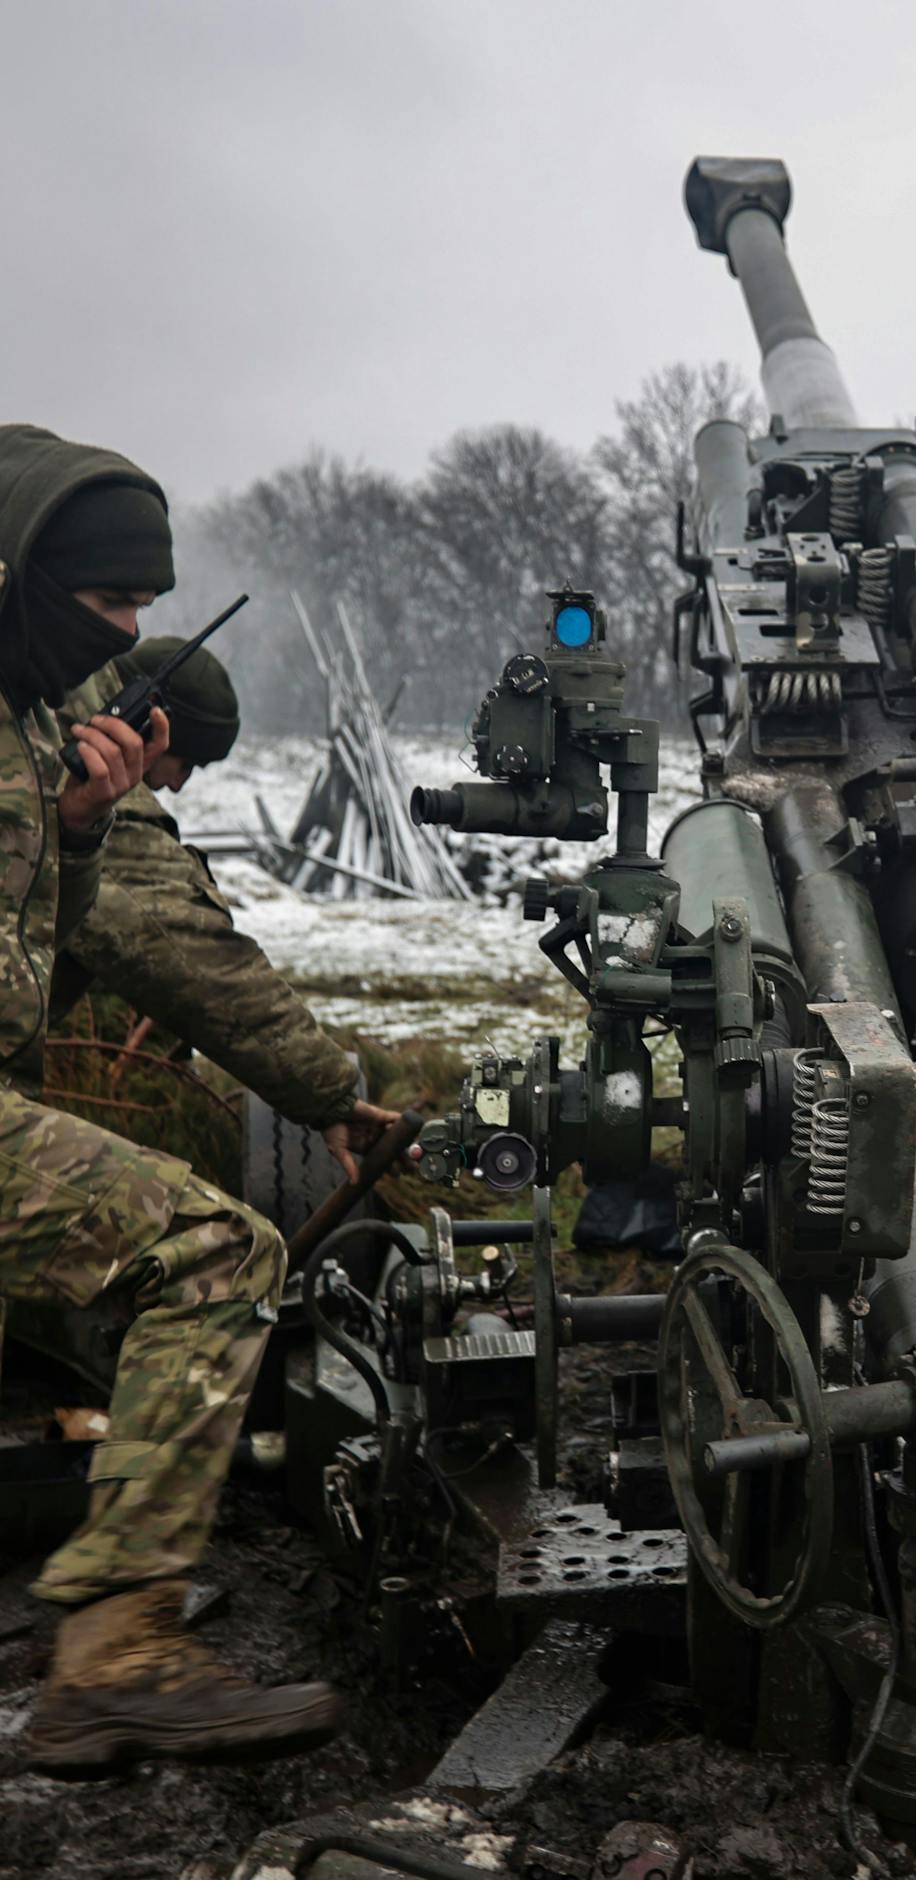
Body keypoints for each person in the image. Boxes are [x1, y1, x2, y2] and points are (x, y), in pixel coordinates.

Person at [0, 423, 342, 1775]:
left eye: (143, 606)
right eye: (104, 603)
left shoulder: (34, 724)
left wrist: (77, 834)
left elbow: (43, 955)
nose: (124, 632)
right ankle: (117, 1654)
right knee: (215, 1252)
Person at [53, 637, 399, 1180]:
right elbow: (192, 956)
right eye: (183, 760)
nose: (177, 783)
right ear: (149, 726)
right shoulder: (99, 810)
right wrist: (329, 1092)